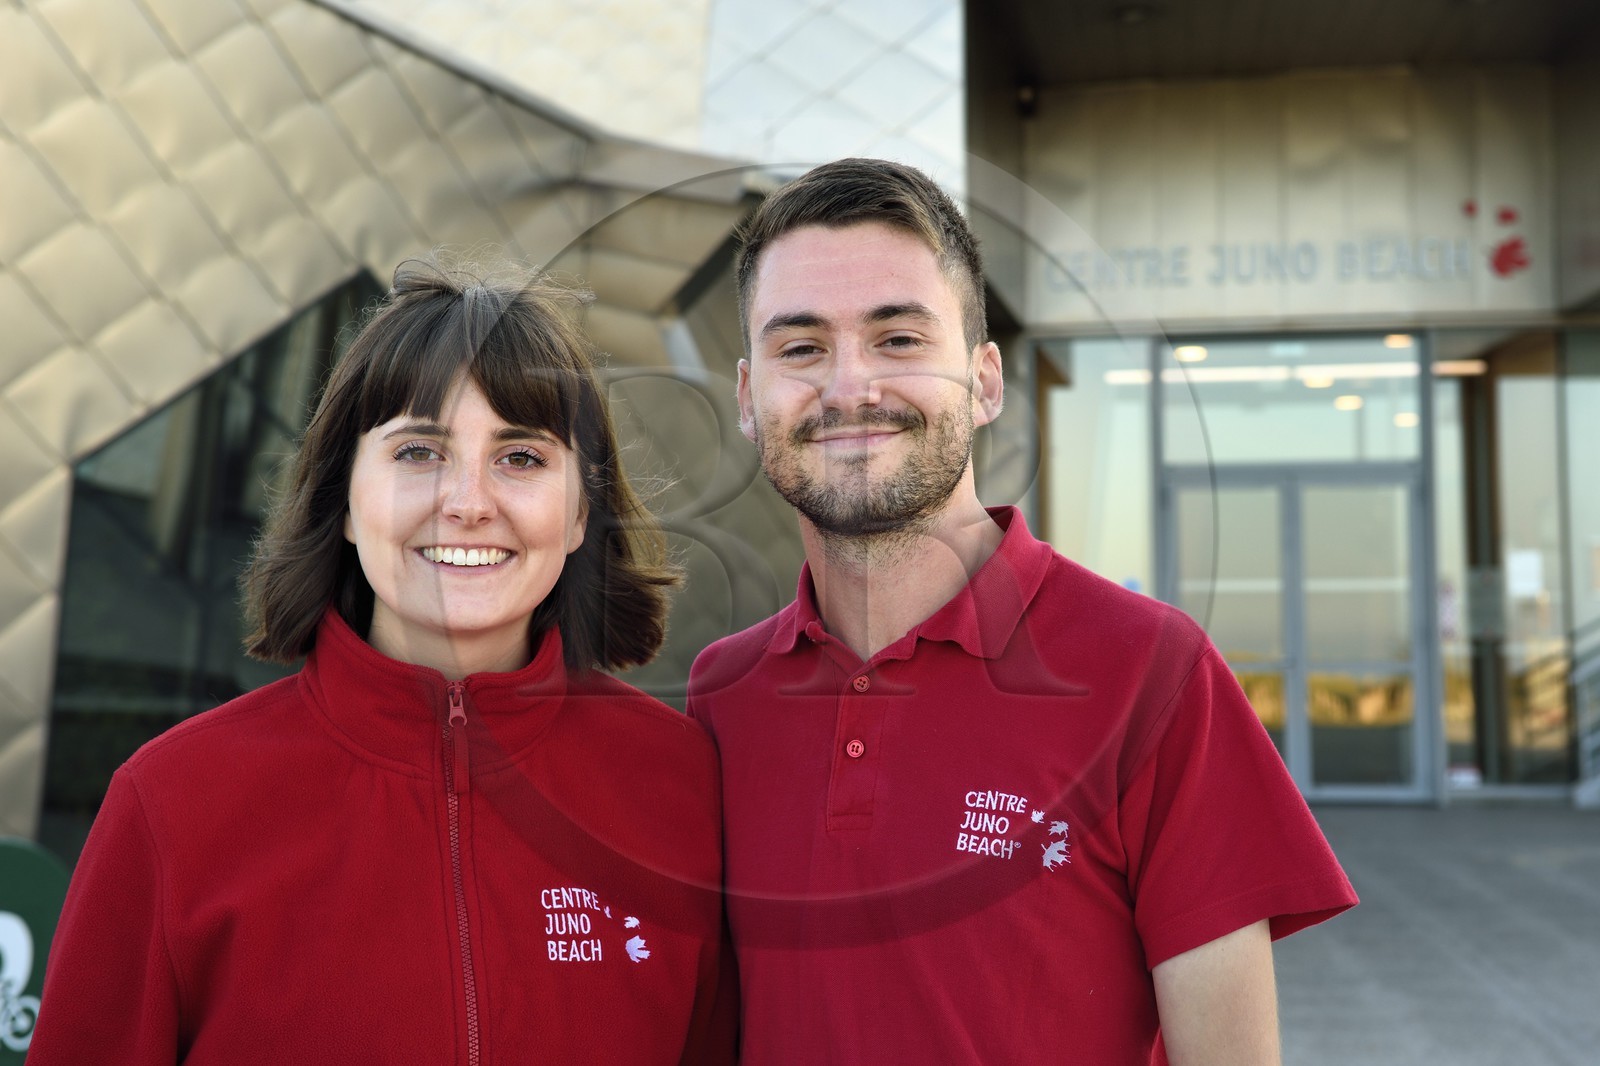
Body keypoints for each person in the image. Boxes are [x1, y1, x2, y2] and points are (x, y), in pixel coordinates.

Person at [687, 158, 1358, 1065]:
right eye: (800, 348)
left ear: (987, 382)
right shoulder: (724, 694)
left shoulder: (1150, 672)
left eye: (898, 339)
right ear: (746, 398)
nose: (849, 387)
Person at [30, 257, 734, 1065]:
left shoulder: (680, 789)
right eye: (418, 453)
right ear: (347, 501)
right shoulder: (172, 802)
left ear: (581, 513)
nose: (467, 502)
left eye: (522, 457)